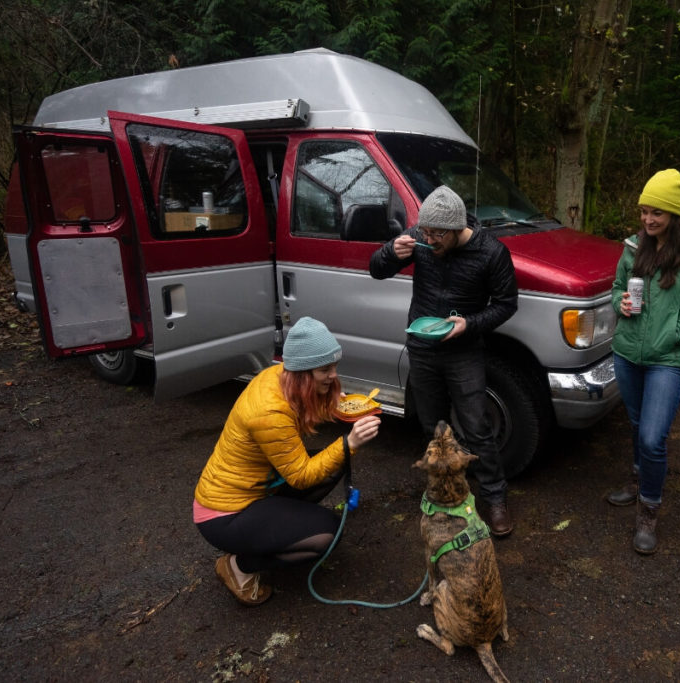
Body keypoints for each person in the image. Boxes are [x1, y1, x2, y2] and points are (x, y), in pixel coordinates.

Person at [193, 316, 381, 605]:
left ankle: (280, 528)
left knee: (333, 465)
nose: (333, 375)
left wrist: (329, 403)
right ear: (304, 372)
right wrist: (350, 443)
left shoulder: (279, 375)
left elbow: (301, 407)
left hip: (258, 491)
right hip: (225, 514)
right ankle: (239, 566)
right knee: (326, 535)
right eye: (325, 370)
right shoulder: (269, 412)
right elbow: (301, 477)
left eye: (334, 367)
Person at [369, 185, 518, 536]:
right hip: (422, 346)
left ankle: (495, 499)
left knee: (478, 427)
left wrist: (470, 325)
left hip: (463, 349)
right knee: (430, 426)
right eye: (425, 232)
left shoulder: (491, 252)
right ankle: (442, 491)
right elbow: (376, 269)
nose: (429, 240)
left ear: (456, 229)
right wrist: (391, 252)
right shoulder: (418, 237)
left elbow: (506, 304)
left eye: (437, 234)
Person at [606, 169, 680, 555]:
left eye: (656, 212)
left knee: (653, 438)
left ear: (674, 214)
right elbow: (618, 286)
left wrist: (674, 331)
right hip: (627, 352)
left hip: (666, 358)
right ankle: (639, 481)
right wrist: (619, 301)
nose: (648, 220)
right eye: (643, 211)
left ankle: (649, 510)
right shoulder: (633, 245)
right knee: (638, 425)